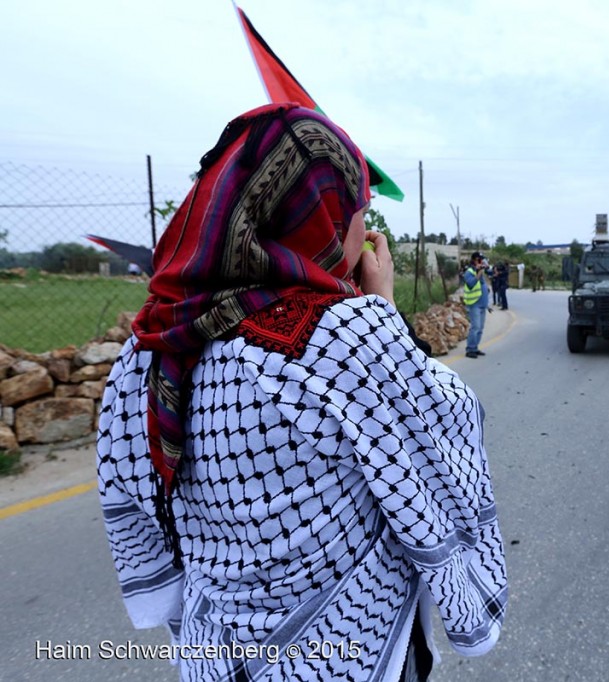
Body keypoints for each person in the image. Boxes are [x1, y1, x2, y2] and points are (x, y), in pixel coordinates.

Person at [96, 103, 506, 681]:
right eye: (359, 210)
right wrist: (380, 310)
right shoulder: (347, 335)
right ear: (326, 221)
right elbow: (442, 433)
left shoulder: (150, 346)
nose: (366, 230)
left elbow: (135, 496)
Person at [463, 251, 492, 358]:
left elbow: (487, 281)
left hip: (482, 304)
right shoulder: (469, 272)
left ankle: (475, 348)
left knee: (480, 328)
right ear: (475, 260)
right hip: (474, 304)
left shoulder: (480, 271)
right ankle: (470, 349)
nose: (482, 261)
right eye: (480, 260)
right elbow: (471, 284)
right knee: (475, 327)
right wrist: (479, 272)